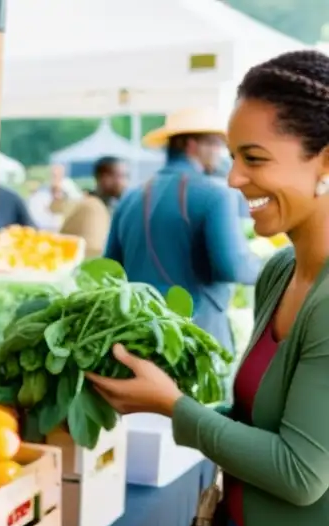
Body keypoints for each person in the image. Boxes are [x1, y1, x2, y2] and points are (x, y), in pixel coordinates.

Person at [87, 50, 329, 526]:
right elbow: (257, 414)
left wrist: (175, 408)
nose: (233, 179)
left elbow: (301, 469)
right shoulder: (283, 267)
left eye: (255, 158)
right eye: (229, 156)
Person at [104, 107, 260, 355]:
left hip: (137, 336)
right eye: (216, 144)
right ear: (192, 145)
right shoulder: (216, 195)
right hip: (196, 339)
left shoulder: (130, 197)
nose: (220, 154)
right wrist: (275, 265)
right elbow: (233, 266)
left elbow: (110, 269)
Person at [60, 156, 129, 258]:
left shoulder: (99, 205)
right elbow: (95, 252)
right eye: (121, 176)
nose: (125, 183)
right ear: (105, 178)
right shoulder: (92, 208)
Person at [28, 164, 81, 231]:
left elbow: (77, 204)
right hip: (45, 228)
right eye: (54, 174)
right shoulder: (41, 193)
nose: (55, 176)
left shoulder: (70, 188)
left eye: (58, 174)